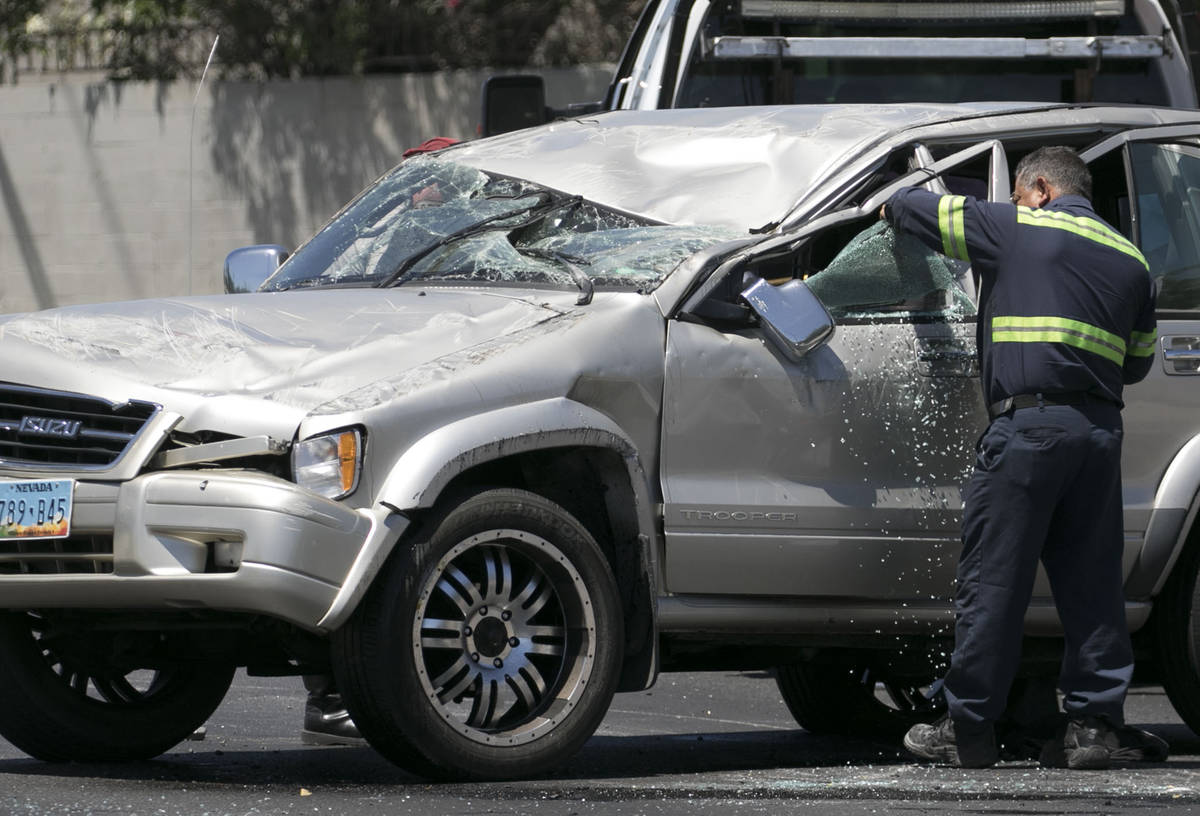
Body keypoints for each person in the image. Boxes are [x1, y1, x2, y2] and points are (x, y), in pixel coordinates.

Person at [881, 146, 1166, 769]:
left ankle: (969, 730)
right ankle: (1094, 728)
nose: (1012, 203)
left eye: (1015, 193)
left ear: (1037, 187)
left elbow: (909, 209)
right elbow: (1138, 362)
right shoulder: (1133, 259)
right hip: (1097, 433)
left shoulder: (1015, 226)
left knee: (993, 585)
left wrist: (899, 193)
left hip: (1028, 430)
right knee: (1093, 590)